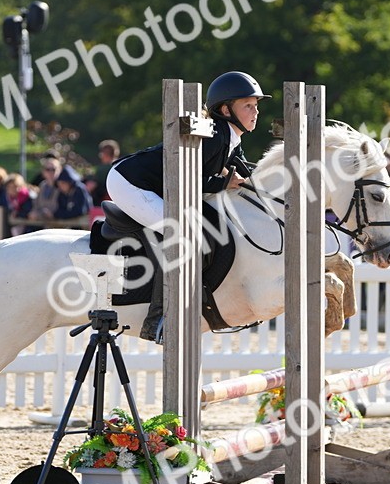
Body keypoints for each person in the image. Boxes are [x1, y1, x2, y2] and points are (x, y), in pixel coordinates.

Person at [107, 70, 270, 340]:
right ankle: (158, 319)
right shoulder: (216, 136)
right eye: (248, 106)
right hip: (130, 183)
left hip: (155, 184)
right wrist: (225, 184)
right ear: (226, 109)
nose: (255, 112)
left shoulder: (232, 138)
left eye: (256, 106)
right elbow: (188, 177)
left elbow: (247, 174)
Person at [85, 140, 121, 205]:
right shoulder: (119, 166)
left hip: (102, 202)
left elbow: (92, 185)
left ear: (105, 154)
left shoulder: (103, 169)